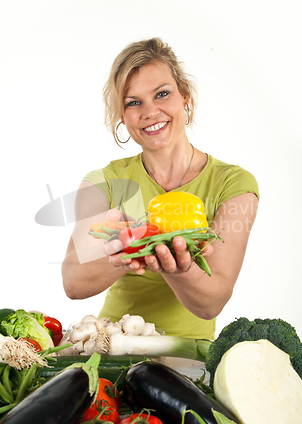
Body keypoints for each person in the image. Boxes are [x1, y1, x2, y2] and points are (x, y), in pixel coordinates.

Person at [62, 37, 259, 339]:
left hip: (188, 359)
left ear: (185, 96)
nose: (150, 112)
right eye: (134, 102)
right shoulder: (103, 182)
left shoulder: (232, 183)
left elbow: (212, 302)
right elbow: (73, 282)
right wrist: (133, 246)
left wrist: (171, 263)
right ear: (122, 116)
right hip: (112, 344)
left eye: (162, 94)